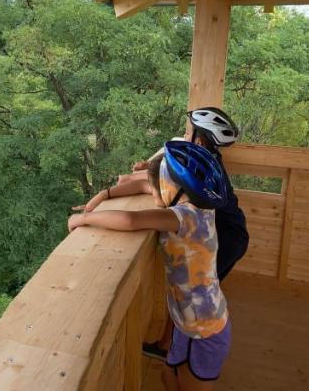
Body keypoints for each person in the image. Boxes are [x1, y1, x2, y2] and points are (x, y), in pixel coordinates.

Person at [68, 142, 232, 390]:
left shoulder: (182, 217)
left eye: (158, 188)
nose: (152, 194)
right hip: (186, 322)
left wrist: (84, 218)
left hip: (206, 330)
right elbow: (145, 184)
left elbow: (130, 219)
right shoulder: (199, 206)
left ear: (171, 187)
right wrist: (105, 194)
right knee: (168, 377)